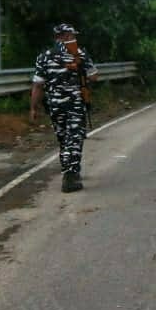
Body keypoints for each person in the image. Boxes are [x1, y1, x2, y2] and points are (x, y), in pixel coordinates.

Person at [31, 23, 98, 192]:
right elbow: (94, 76)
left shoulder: (44, 56)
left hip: (54, 105)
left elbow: (38, 85)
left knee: (63, 139)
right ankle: (71, 175)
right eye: (71, 35)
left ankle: (68, 169)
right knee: (74, 139)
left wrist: (33, 108)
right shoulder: (80, 54)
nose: (74, 38)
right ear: (64, 36)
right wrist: (82, 77)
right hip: (75, 104)